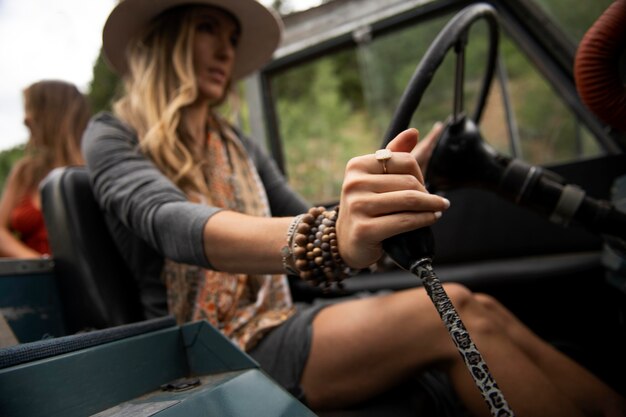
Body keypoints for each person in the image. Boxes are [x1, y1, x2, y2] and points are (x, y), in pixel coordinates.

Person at [83, 0, 626, 416]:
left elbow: (308, 213)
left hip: (280, 321)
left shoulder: (235, 143)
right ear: (164, 37)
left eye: (231, 36)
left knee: (478, 307)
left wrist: (394, 191)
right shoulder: (111, 135)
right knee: (452, 311)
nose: (226, 49)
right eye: (207, 29)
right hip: (212, 349)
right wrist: (333, 236)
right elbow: (173, 225)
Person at [0, 80, 90, 258]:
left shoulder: (92, 169)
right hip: (34, 280)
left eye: (33, 108)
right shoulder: (26, 173)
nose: (26, 119)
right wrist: (38, 262)